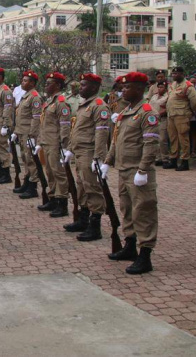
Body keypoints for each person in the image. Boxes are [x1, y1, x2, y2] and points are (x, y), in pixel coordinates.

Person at [103, 72, 159, 275]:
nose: (123, 91)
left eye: (127, 87)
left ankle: (145, 255)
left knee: (143, 212)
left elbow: (151, 144)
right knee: (127, 209)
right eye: (122, 88)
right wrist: (107, 162)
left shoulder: (146, 112)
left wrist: (143, 170)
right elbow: (116, 140)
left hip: (138, 171)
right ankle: (130, 246)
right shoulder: (126, 111)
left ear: (139, 89)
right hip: (124, 169)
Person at [66, 73, 111, 241]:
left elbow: (102, 133)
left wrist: (98, 157)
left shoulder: (99, 106)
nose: (80, 88)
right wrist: (70, 148)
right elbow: (76, 129)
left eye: (84, 85)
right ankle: (83, 220)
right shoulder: (84, 105)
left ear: (94, 87)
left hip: (89, 152)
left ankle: (95, 226)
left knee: (92, 188)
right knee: (82, 187)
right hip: (79, 152)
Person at [36, 72, 72, 217]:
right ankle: (53, 198)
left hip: (56, 144)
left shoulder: (61, 103)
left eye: (49, 83)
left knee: (59, 174)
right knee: (50, 172)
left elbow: (65, 126)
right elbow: (43, 124)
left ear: (57, 85)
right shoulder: (50, 102)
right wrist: (39, 141)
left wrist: (64, 145)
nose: (46, 85)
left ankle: (62, 203)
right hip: (47, 142)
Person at [13, 70, 42, 199]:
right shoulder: (26, 96)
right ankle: (26, 181)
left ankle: (33, 187)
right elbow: (20, 116)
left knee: (31, 160)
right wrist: (15, 132)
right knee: (25, 159)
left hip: (28, 134)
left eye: (25, 81)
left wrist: (32, 136)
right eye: (23, 80)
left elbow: (36, 118)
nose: (22, 83)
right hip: (22, 132)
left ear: (32, 83)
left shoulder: (35, 97)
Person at [163, 67, 196, 171]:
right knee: (173, 138)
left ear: (182, 74)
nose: (174, 75)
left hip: (182, 115)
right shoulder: (172, 85)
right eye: (173, 74)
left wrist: (191, 112)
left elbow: (194, 102)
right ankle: (173, 159)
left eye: (176, 73)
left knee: (183, 138)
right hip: (171, 115)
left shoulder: (188, 86)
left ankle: (185, 161)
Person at [149, 81, 170, 166]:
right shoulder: (154, 96)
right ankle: (158, 158)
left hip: (163, 119)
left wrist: (160, 113)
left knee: (162, 139)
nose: (160, 88)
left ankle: (165, 158)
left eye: (162, 87)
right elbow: (149, 106)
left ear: (165, 88)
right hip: (153, 120)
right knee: (155, 138)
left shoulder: (168, 96)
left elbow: (168, 108)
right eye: (159, 87)